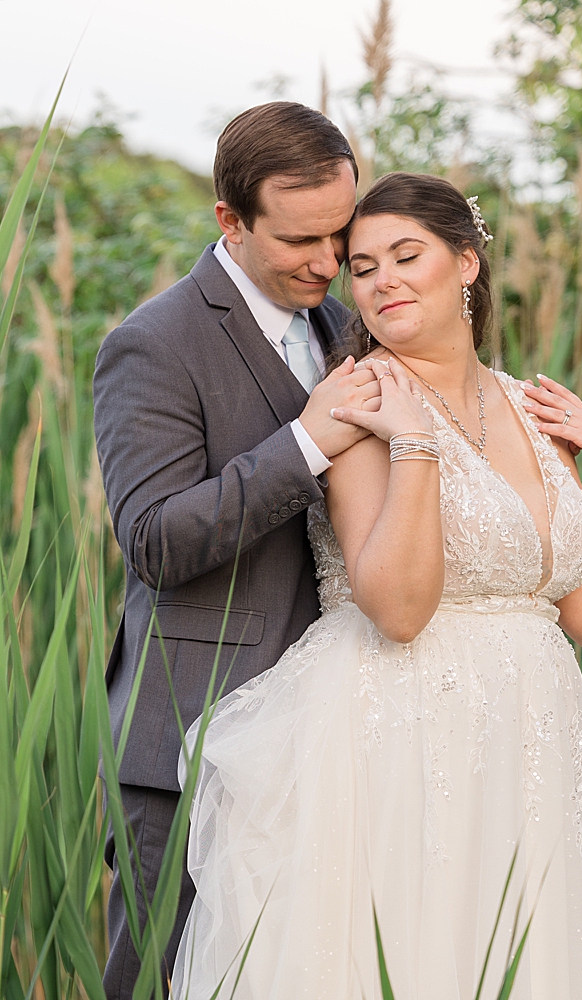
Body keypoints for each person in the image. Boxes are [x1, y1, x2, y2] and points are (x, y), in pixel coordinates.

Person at [172, 172, 582, 999]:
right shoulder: (360, 403)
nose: (382, 279)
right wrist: (415, 447)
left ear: (465, 264)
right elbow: (396, 609)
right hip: (399, 735)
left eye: (405, 255)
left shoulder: (529, 407)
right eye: (363, 266)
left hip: (532, 743)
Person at [92, 101, 383, 999]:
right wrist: (305, 441)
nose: (329, 263)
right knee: (162, 979)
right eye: (302, 241)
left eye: (341, 234)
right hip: (194, 737)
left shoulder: (350, 328)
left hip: (337, 730)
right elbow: (153, 541)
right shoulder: (154, 343)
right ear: (230, 221)